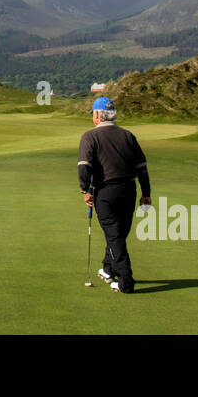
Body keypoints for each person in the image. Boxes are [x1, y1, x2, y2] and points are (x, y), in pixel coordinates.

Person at [78, 96, 150, 293]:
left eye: (93, 114)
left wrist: (85, 191)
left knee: (114, 236)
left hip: (105, 193)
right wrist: (146, 193)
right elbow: (142, 168)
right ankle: (109, 269)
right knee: (118, 234)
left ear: (98, 115)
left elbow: (84, 167)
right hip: (129, 190)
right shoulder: (128, 135)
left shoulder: (90, 137)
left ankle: (126, 280)